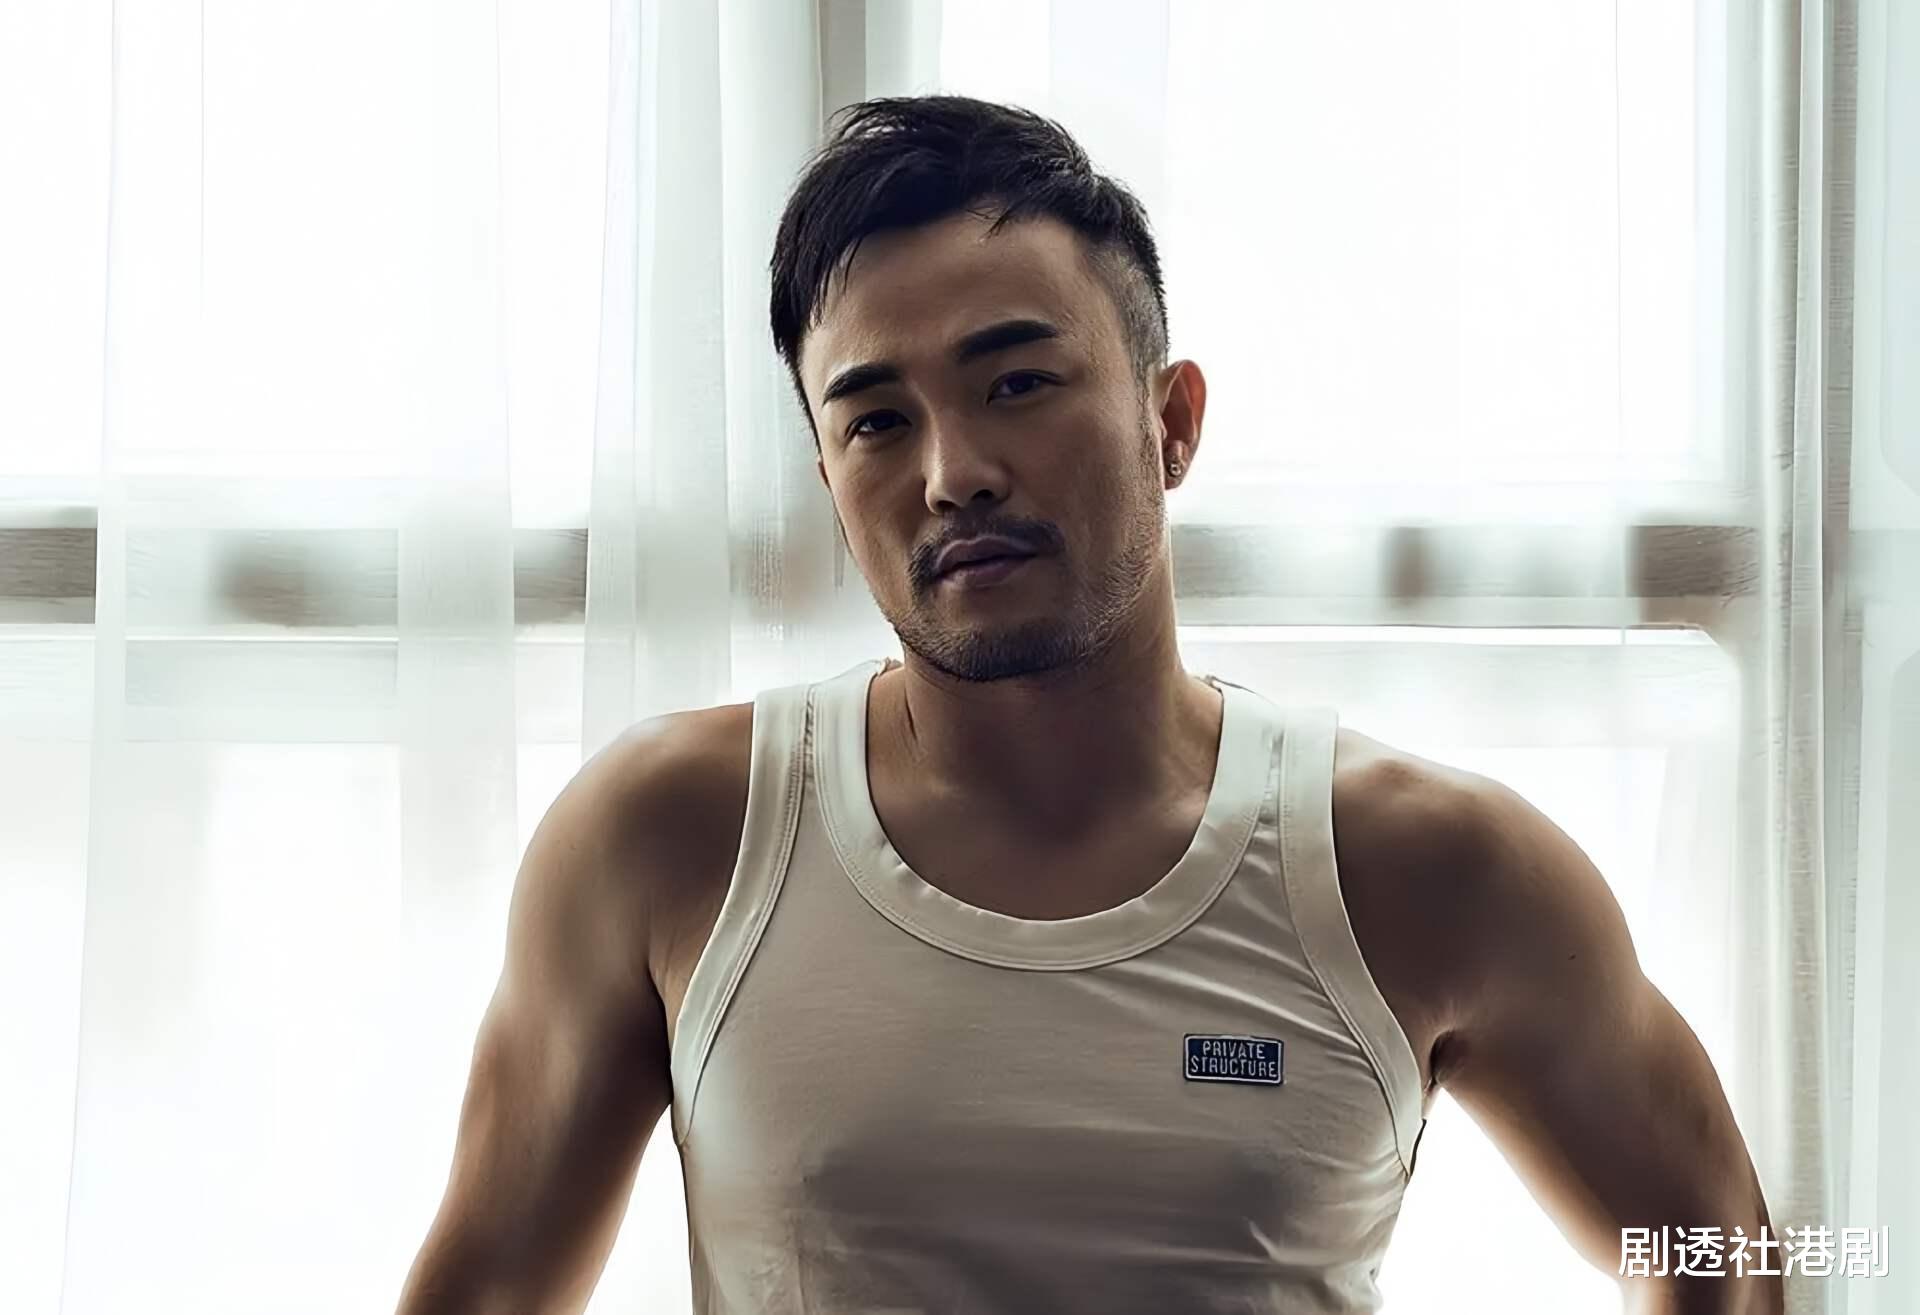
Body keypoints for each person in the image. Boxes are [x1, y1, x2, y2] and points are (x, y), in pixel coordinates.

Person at [395, 95, 1782, 1314]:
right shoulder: (668, 838)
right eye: (876, 420)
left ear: (1171, 422)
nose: (953, 473)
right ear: (828, 477)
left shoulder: (1428, 864)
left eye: (1017, 384)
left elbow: (1716, 1240)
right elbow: (488, 1293)